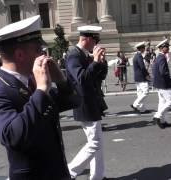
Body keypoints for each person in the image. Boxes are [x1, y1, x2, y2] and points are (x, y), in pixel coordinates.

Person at [0, 15, 76, 179]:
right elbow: (12, 136)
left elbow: (73, 101)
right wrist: (41, 91)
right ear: (20, 54)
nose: (43, 54)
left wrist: (60, 80)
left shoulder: (32, 80)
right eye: (38, 49)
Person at [66, 25, 108, 180]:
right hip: (84, 103)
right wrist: (95, 61)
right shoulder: (74, 55)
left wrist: (101, 62)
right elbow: (82, 80)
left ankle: (98, 175)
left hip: (92, 102)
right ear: (88, 39)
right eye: (95, 40)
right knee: (95, 143)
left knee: (97, 142)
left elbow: (99, 77)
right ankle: (69, 172)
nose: (96, 44)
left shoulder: (84, 55)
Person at [152, 39, 171, 129]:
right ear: (162, 48)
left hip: (159, 84)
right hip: (164, 84)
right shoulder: (162, 58)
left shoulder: (159, 57)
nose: (168, 48)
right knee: (170, 101)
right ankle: (157, 116)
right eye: (166, 47)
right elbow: (163, 72)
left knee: (162, 103)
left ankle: (163, 121)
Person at [130, 42, 151, 113]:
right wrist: (147, 74)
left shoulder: (136, 55)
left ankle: (142, 109)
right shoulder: (139, 56)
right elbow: (142, 67)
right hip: (141, 77)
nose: (144, 49)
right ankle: (135, 104)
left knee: (140, 93)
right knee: (146, 92)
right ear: (141, 48)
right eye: (144, 48)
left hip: (137, 77)